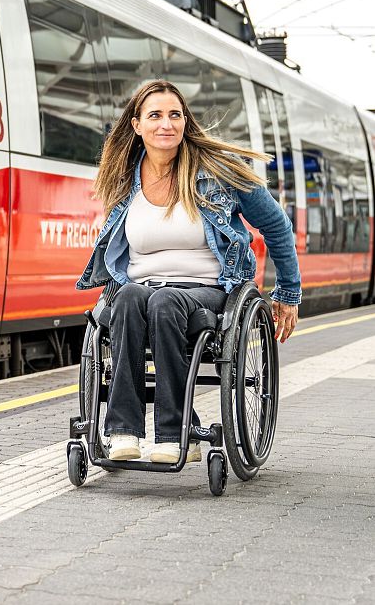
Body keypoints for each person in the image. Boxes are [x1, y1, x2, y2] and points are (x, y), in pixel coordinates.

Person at [76, 80, 300, 463]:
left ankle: (174, 433)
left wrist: (287, 293)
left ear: (185, 122)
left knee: (166, 301)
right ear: (137, 125)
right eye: (156, 115)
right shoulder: (124, 177)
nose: (167, 124)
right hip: (140, 289)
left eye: (175, 115)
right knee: (129, 297)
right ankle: (123, 431)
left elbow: (277, 226)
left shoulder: (219, 170)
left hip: (208, 291)